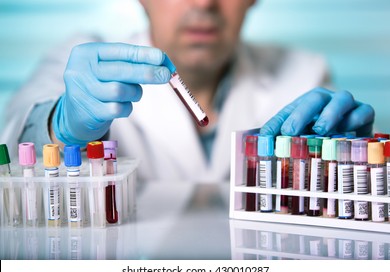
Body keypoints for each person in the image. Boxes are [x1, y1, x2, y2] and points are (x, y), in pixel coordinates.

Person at [2, 0, 374, 182]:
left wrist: (350, 160)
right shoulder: (81, 60)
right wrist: (59, 126)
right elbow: (11, 141)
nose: (203, 4)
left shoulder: (304, 71)